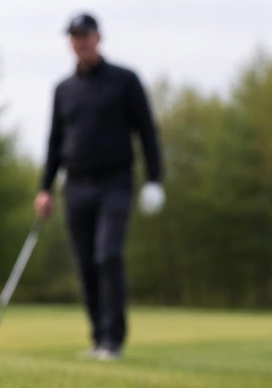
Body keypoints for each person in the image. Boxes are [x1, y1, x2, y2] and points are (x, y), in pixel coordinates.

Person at [35, 12, 165, 361]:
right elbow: (54, 142)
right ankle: (97, 338)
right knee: (85, 264)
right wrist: (44, 188)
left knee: (107, 255)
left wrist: (154, 179)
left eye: (85, 35)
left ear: (98, 38)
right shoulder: (63, 89)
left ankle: (113, 340)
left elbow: (147, 132)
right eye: (74, 36)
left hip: (115, 183)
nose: (79, 42)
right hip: (75, 186)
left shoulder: (124, 80)